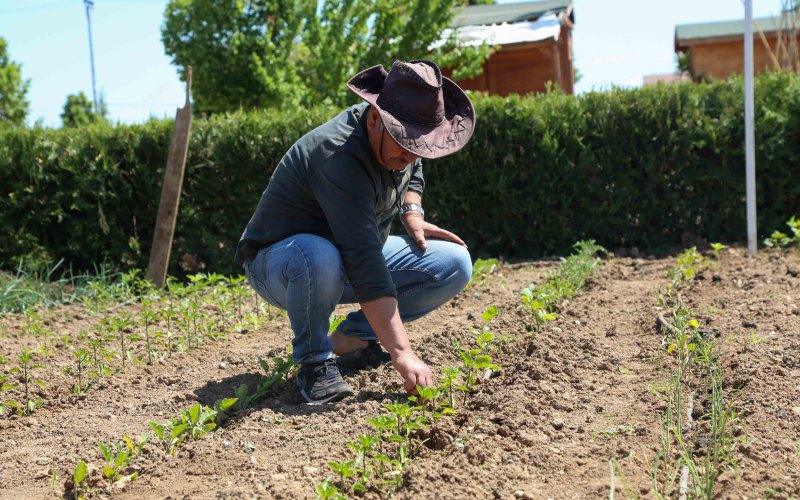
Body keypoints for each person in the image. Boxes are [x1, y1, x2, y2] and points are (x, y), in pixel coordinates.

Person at [234, 59, 476, 404]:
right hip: (282, 264)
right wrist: (401, 351)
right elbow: (364, 263)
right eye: (404, 144)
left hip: (343, 256)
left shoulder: (401, 144)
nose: (410, 155)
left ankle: (350, 339)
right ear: (375, 118)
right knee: (319, 255)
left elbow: (416, 167)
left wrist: (412, 211)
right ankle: (314, 362)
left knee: (453, 262)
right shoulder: (338, 156)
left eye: (418, 146)